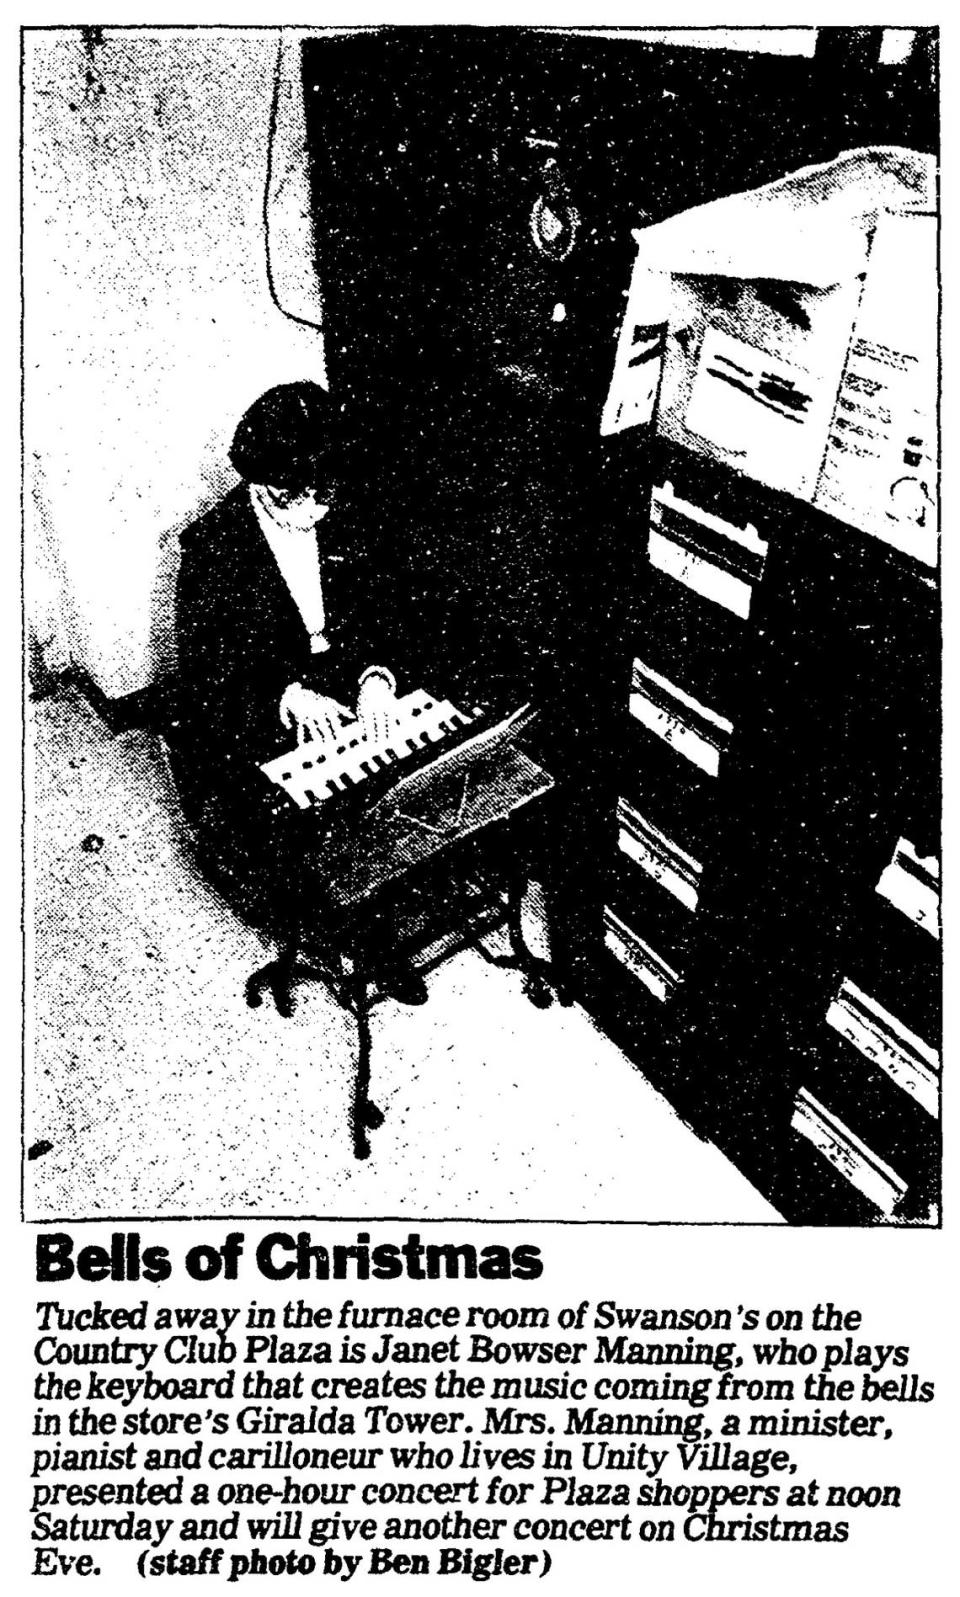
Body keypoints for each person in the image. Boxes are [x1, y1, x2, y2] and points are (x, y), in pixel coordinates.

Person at [169, 381, 428, 1003]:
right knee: (297, 821)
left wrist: (376, 678)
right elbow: (208, 669)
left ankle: (378, 901)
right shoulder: (213, 545)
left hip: (343, 677)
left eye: (324, 493)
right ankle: (356, 932)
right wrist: (285, 695)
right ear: (259, 478)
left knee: (404, 769)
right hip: (257, 696)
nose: (311, 510)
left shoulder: (352, 511)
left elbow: (389, 613)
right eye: (291, 495)